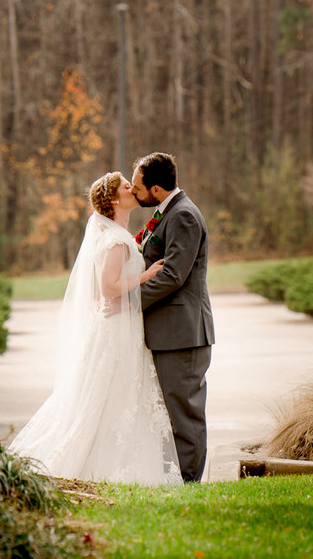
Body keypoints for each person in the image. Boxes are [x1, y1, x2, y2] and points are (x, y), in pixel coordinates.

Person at [7, 172, 182, 485]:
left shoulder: (117, 234)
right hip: (116, 331)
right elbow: (108, 288)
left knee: (114, 398)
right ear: (115, 199)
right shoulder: (115, 240)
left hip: (120, 327)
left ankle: (122, 465)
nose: (134, 189)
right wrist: (146, 276)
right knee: (108, 397)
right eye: (128, 187)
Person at [131, 152, 215, 483]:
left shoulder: (184, 217)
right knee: (173, 410)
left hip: (183, 334)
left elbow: (173, 276)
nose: (135, 193)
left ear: (155, 188)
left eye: (138, 187)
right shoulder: (169, 213)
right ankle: (176, 477)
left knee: (185, 413)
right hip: (171, 333)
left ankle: (189, 481)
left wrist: (131, 303)